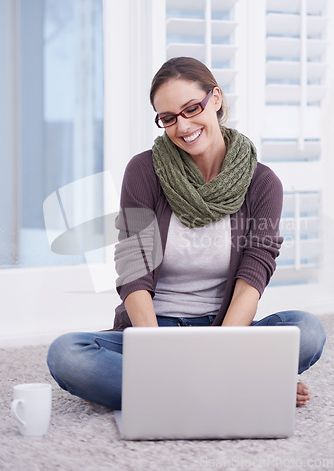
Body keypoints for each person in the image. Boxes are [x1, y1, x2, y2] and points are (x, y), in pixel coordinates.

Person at [47, 57, 326, 409]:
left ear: (217, 99)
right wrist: (157, 354)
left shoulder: (262, 183)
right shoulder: (144, 170)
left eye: (192, 108)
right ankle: (244, 388)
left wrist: (218, 352)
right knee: (67, 355)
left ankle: (164, 394)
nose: (183, 125)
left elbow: (254, 276)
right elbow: (134, 267)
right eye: (168, 118)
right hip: (152, 329)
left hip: (225, 329)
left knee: (308, 330)